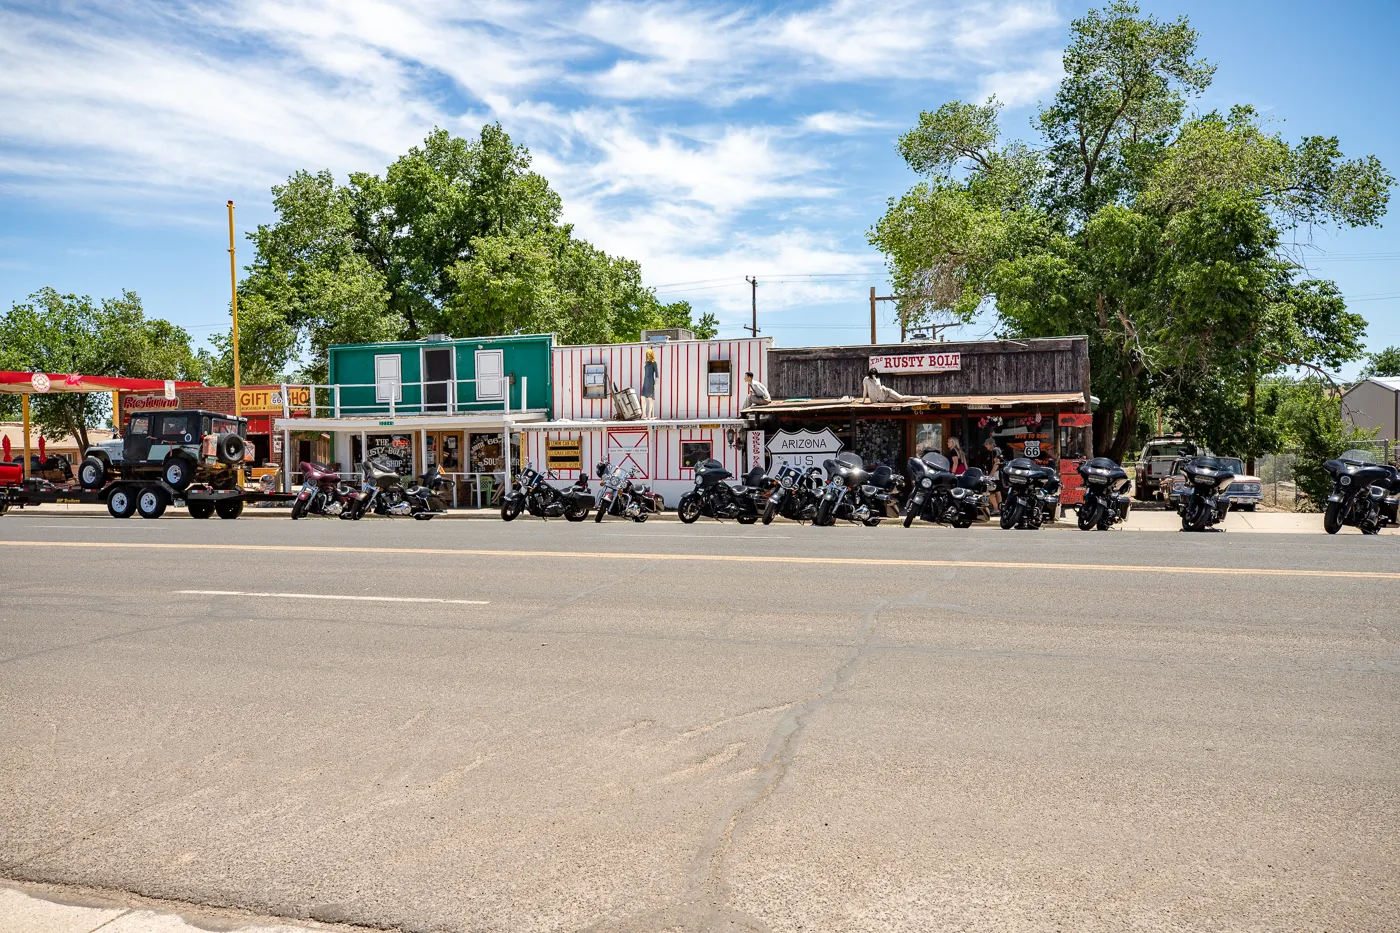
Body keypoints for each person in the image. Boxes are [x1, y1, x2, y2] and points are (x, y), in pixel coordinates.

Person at [980, 436, 1003, 515]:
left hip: (995, 476)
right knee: (997, 492)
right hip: (996, 475)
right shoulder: (995, 451)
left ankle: (996, 509)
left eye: (987, 444)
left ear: (991, 444)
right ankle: (1000, 509)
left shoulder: (995, 451)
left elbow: (996, 463)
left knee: (990, 492)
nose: (986, 446)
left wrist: (990, 475)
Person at [640, 347, 659, 419]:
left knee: (650, 398)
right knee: (642, 397)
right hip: (645, 381)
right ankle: (644, 414)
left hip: (651, 381)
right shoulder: (646, 363)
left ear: (651, 354)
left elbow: (657, 374)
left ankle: (649, 415)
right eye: (647, 354)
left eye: (649, 354)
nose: (648, 355)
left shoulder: (654, 363)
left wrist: (655, 384)